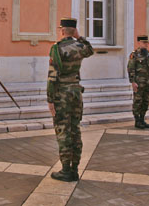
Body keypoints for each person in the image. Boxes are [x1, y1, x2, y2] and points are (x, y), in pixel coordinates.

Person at [47, 18, 94, 182]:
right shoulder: (80, 47)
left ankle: (66, 170)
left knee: (63, 130)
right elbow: (91, 49)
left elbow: (52, 76)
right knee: (75, 129)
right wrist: (79, 37)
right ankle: (75, 168)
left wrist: (50, 99)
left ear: (62, 31)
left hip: (62, 94)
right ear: (73, 31)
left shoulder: (57, 49)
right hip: (76, 92)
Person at [127, 35, 149, 129]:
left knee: (146, 101)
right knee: (137, 101)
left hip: (147, 82)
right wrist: (133, 82)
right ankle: (137, 120)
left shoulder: (148, 54)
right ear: (139, 43)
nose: (146, 44)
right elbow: (131, 68)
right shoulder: (134, 54)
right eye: (144, 43)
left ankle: (142, 119)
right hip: (139, 83)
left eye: (147, 43)